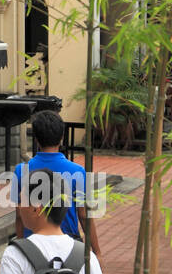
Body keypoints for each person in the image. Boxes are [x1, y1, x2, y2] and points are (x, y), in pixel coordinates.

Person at [10, 109, 103, 264]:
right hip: (69, 247)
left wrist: (21, 246)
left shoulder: (21, 170)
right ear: (62, 138)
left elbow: (19, 215)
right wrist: (97, 251)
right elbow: (84, 216)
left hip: (32, 247)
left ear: (36, 139)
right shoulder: (78, 172)